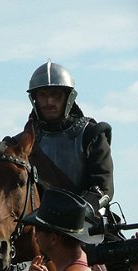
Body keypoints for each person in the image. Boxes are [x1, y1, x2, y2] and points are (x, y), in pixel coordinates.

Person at [26, 61, 114, 212]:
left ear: (68, 98)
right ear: (35, 99)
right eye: (43, 95)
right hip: (37, 220)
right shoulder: (24, 142)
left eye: (56, 95)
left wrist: (77, 211)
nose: (49, 102)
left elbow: (103, 186)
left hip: (87, 224)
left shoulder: (90, 134)